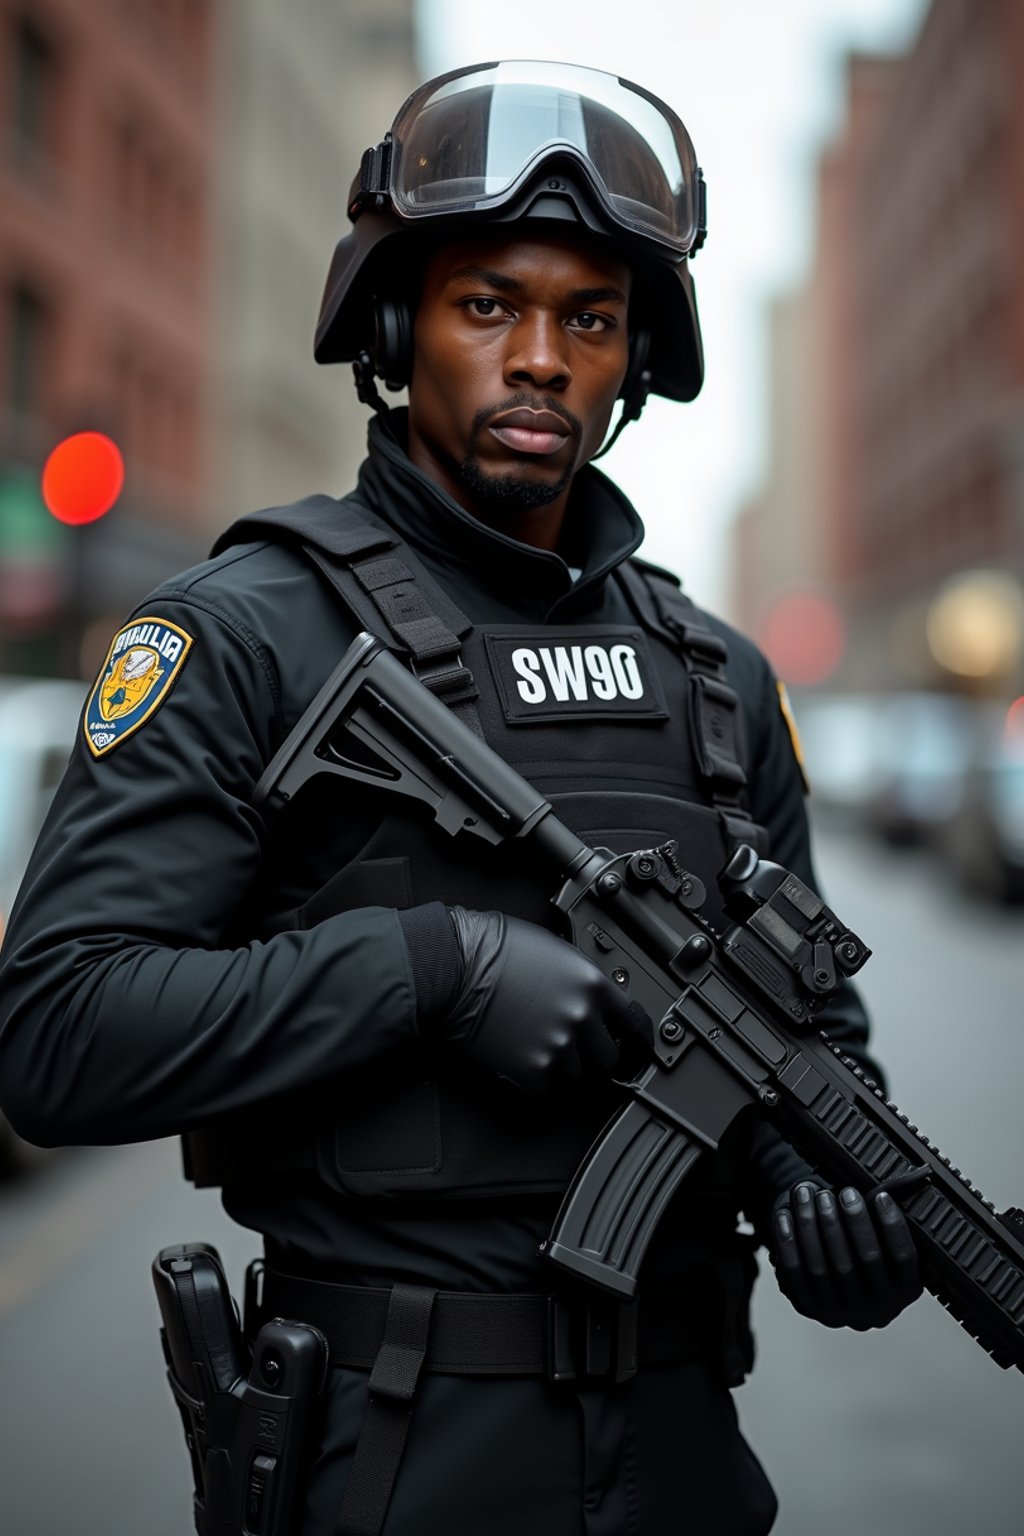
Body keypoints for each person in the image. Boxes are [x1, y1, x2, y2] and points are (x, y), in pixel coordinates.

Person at [0, 61, 921, 1536]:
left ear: (637, 361)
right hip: (392, 1446)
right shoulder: (244, 632)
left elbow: (814, 1047)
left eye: (592, 316)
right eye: (487, 303)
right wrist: (430, 969)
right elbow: (53, 1034)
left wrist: (830, 1199)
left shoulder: (719, 678)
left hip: (683, 1449)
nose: (542, 356)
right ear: (392, 326)